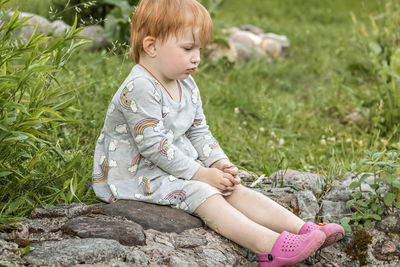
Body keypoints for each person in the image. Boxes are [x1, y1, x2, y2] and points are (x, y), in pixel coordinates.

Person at [91, 0, 345, 266]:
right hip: (138, 175)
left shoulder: (185, 83)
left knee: (233, 189)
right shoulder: (140, 87)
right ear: (152, 46)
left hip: (172, 165)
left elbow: (199, 131)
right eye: (188, 48)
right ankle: (269, 247)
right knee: (205, 195)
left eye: (199, 48)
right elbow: (154, 147)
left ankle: (304, 229)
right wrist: (201, 174)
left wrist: (218, 163)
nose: (197, 57)